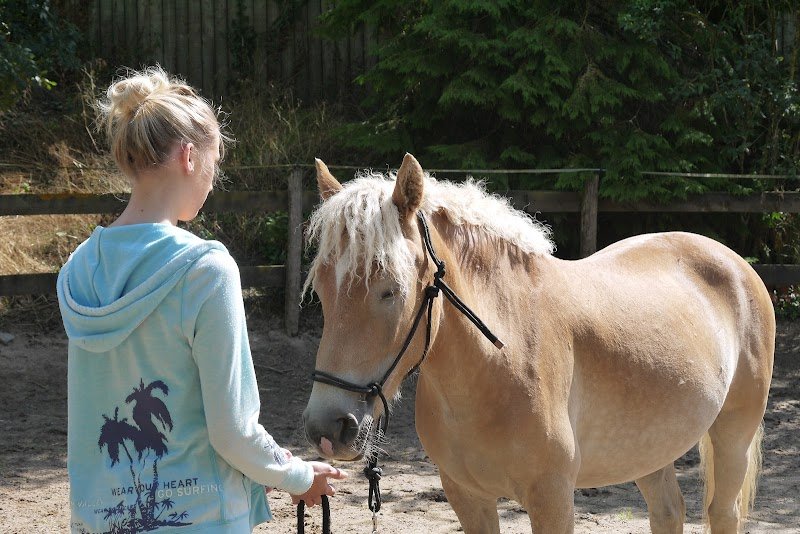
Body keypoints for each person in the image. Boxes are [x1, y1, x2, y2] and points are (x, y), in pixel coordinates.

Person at [56, 66, 344, 533]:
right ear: (189, 156)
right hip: (199, 517)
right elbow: (231, 430)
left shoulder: (78, 270)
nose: (213, 179)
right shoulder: (204, 271)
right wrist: (296, 475)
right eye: (215, 162)